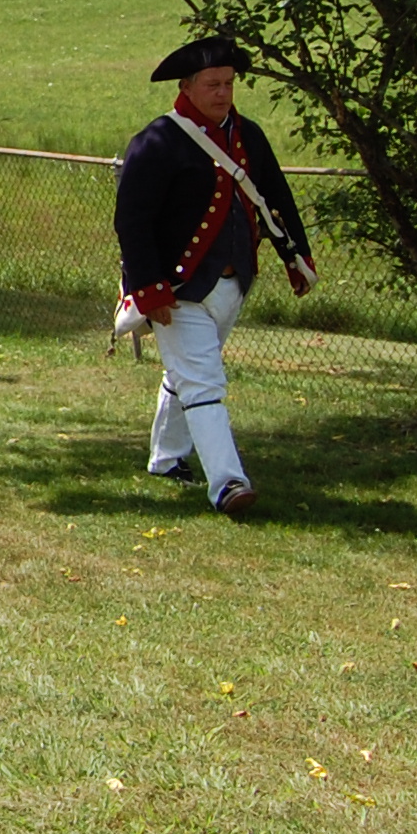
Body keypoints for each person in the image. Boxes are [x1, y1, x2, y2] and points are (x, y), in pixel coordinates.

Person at [114, 36, 316, 519]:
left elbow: (275, 197)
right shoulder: (157, 142)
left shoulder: (249, 136)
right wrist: (150, 289)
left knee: (187, 374)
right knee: (204, 383)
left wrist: (296, 258)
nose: (223, 92)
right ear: (186, 87)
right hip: (177, 290)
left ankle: (166, 460)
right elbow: (132, 221)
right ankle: (228, 484)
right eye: (212, 84)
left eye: (228, 83)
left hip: (232, 282)